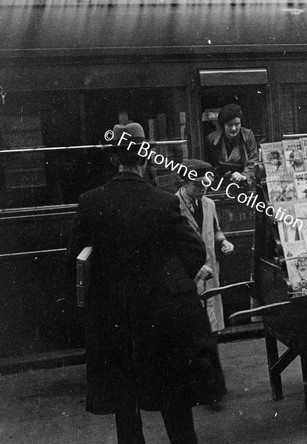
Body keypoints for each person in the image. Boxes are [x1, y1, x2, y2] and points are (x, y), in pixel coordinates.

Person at [68, 123, 225, 444]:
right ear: (145, 159)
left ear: (114, 160)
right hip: (159, 316)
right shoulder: (163, 202)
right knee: (173, 398)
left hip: (114, 321)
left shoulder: (90, 202)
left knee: (126, 404)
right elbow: (196, 251)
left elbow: (76, 262)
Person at [176, 159, 235, 332]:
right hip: (189, 274)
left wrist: (223, 241)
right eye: (197, 185)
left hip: (210, 270)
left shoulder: (209, 204)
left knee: (212, 324)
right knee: (191, 325)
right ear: (184, 183)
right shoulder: (173, 206)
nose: (203, 189)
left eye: (206, 184)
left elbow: (216, 230)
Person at [205, 103, 258, 185]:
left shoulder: (248, 135)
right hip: (220, 184)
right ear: (223, 125)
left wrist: (244, 176)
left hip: (244, 184)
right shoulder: (211, 139)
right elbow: (209, 166)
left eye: (237, 124)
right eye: (229, 125)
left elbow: (253, 161)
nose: (234, 128)